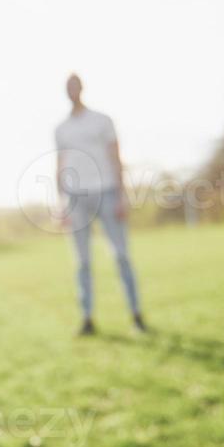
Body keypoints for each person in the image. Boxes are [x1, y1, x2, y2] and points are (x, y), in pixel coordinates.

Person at [54, 74, 146, 336]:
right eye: (67, 87)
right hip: (75, 198)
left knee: (121, 256)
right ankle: (87, 319)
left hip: (106, 191)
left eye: (75, 86)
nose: (72, 90)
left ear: (82, 88)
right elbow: (59, 165)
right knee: (82, 262)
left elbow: (116, 156)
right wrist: (61, 202)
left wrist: (122, 194)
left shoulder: (102, 121)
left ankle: (136, 315)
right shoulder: (61, 129)